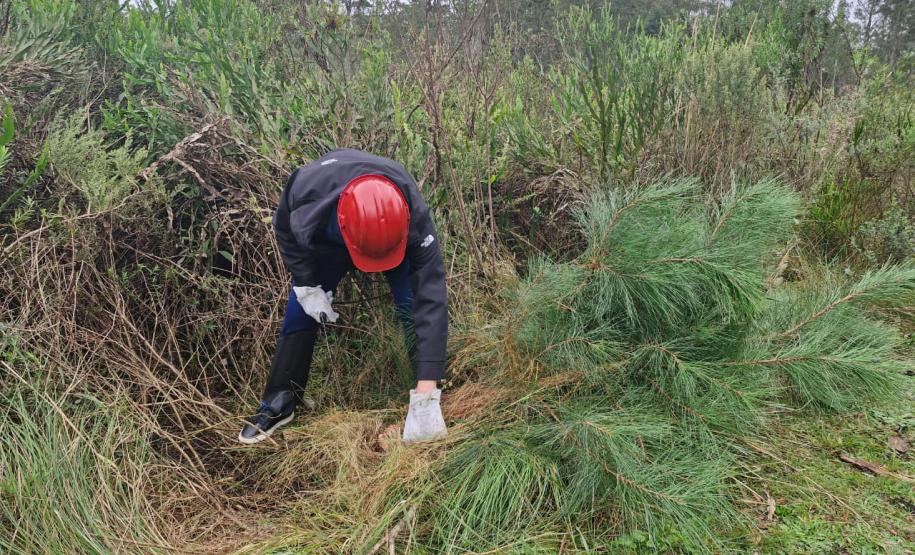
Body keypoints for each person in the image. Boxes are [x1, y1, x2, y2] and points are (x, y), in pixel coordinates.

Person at [238, 148, 448, 444]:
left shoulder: (413, 213)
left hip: (395, 243)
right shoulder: (305, 194)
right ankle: (279, 402)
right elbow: (285, 233)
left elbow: (431, 294)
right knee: (300, 308)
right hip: (334, 241)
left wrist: (427, 389)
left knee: (413, 303)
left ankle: (426, 392)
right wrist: (308, 285)